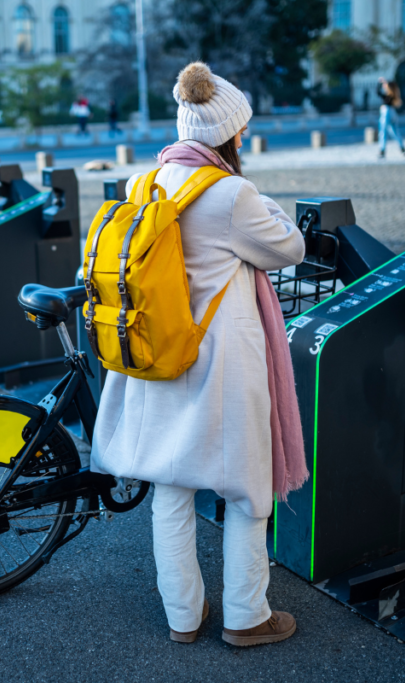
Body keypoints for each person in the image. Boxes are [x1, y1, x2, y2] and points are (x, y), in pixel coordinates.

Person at [91, 62, 306, 647]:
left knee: (171, 489)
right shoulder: (232, 193)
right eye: (240, 132)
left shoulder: (145, 183)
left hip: (159, 355)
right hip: (221, 365)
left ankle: (183, 617)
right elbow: (289, 247)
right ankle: (246, 616)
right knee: (245, 489)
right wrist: (276, 210)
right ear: (229, 134)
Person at [377, 77, 405, 159]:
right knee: (395, 133)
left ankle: (382, 151)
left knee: (383, 132)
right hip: (392, 113)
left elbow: (378, 92)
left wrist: (380, 83)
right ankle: (403, 149)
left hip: (386, 112)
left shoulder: (388, 96)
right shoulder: (393, 95)